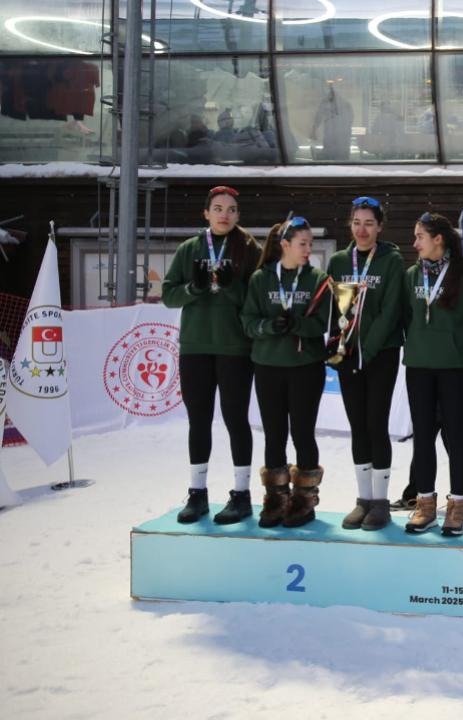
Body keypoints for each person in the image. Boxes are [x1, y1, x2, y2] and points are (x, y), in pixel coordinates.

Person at [161, 185, 259, 525]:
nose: (224, 214)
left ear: (238, 215)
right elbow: (169, 295)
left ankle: (242, 494)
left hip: (235, 348)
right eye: (218, 208)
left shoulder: (248, 248)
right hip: (196, 347)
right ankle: (197, 493)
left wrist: (233, 287)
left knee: (236, 421)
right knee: (198, 421)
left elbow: (256, 300)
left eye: (231, 209)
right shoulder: (190, 249)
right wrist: (194, 288)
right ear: (206, 213)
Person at [401, 212, 463, 536]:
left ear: (438, 239)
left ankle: (457, 506)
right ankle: (425, 505)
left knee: (456, 436)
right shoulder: (411, 275)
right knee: (422, 438)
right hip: (419, 368)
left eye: (419, 237)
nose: (415, 244)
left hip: (454, 369)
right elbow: (403, 316)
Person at [240, 217, 330, 528]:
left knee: (303, 433)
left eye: (311, 244)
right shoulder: (261, 279)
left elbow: (323, 323)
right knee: (274, 433)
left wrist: (298, 325)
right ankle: (275, 499)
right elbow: (248, 321)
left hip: (306, 368)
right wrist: (268, 326)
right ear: (285, 246)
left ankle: (304, 501)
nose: (308, 249)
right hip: (268, 366)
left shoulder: (318, 279)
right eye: (303, 244)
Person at [327, 196, 406, 532]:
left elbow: (391, 312)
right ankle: (362, 500)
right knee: (357, 425)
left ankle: (380, 502)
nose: (362, 229)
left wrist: (367, 349)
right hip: (349, 356)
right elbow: (335, 311)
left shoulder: (391, 261)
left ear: (380, 227)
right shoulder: (339, 261)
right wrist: (336, 347)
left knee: (376, 423)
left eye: (369, 223)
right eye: (357, 222)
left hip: (380, 355)